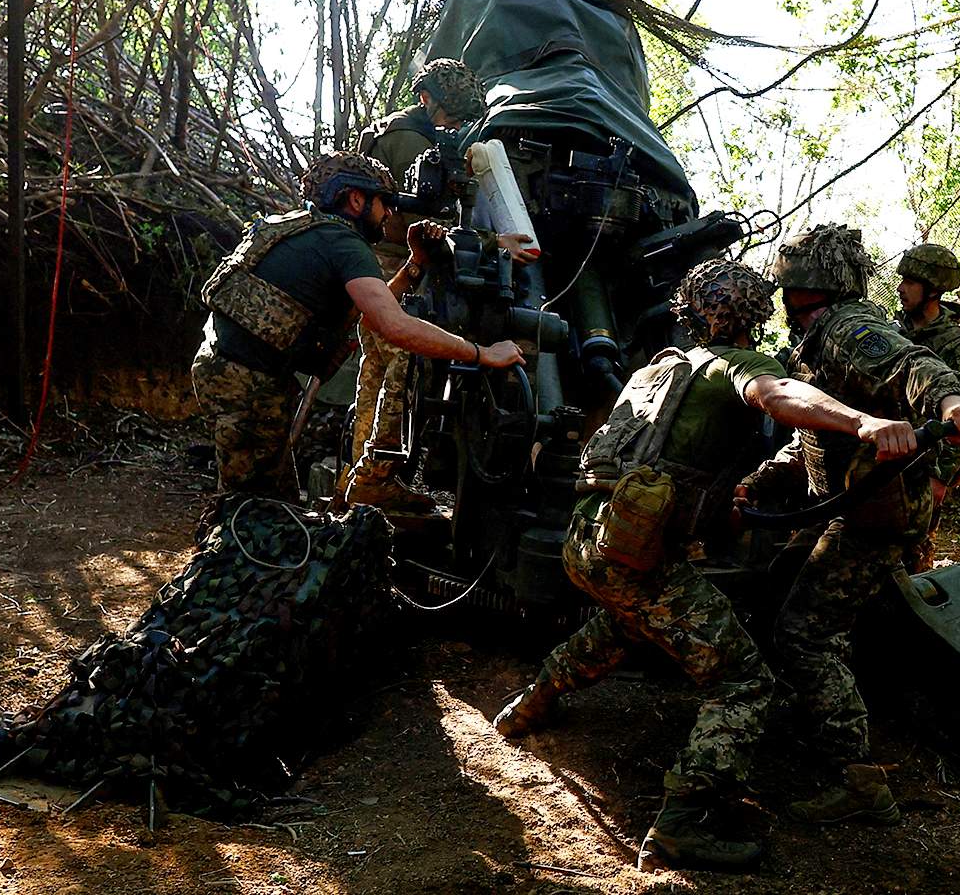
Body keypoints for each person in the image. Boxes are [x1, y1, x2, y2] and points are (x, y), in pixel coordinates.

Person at [491, 259, 920, 871]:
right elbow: (778, 395)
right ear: (758, 315)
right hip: (635, 555)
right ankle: (680, 825)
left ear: (690, 314)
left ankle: (533, 702)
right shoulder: (737, 364)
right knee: (744, 679)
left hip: (589, 539)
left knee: (626, 621)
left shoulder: (659, 368)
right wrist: (864, 421)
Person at [744, 224, 960, 827]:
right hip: (847, 506)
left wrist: (949, 404)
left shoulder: (848, 328)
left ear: (804, 285)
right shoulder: (820, 333)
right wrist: (763, 479)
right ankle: (817, 711)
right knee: (783, 586)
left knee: (803, 633)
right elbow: (813, 433)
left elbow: (914, 363)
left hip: (874, 514)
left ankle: (857, 778)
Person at [189, 151, 525, 494]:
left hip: (231, 369)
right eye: (384, 203)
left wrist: (415, 265)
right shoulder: (345, 244)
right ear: (355, 199)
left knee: (274, 499)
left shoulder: (309, 229)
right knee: (248, 507)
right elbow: (394, 326)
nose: (390, 214)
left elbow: (371, 311)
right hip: (245, 380)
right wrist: (482, 353)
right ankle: (221, 544)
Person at [343, 58, 517, 511]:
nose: (454, 127)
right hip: (391, 263)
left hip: (398, 263)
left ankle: (361, 474)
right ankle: (376, 474)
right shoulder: (406, 139)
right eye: (450, 116)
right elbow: (410, 218)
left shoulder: (415, 133)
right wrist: (487, 238)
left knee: (379, 369)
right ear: (427, 101)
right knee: (398, 362)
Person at [893, 243, 960, 567]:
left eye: (910, 282)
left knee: (913, 555)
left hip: (924, 464)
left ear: (932, 290)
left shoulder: (955, 346)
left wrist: (940, 478)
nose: (900, 289)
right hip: (890, 455)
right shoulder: (894, 332)